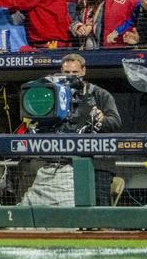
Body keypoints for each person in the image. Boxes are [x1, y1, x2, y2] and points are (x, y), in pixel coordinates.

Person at [21, 55, 123, 207]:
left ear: (83, 71)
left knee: (99, 211)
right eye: (66, 72)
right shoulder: (54, 94)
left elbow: (115, 122)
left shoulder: (99, 94)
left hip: (97, 163)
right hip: (63, 162)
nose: (70, 77)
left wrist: (100, 120)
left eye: (74, 73)